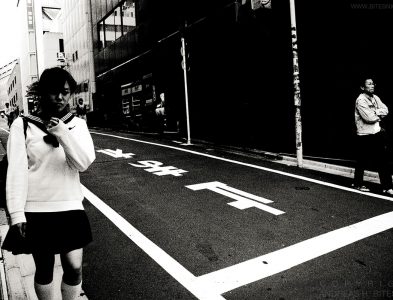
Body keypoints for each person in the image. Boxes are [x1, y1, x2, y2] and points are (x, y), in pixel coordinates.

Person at [1, 67, 96, 300]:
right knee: (44, 269)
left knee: (74, 268)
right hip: (36, 210)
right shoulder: (22, 125)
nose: (61, 97)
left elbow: (82, 164)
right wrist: (16, 213)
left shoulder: (77, 125)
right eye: (54, 92)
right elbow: (16, 172)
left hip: (70, 207)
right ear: (43, 93)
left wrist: (63, 134)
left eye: (65, 92)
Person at [353, 77, 393, 195]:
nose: (372, 86)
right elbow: (368, 118)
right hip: (364, 134)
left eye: (373, 84)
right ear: (362, 87)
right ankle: (358, 184)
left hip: (377, 132)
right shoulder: (360, 100)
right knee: (362, 161)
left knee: (383, 160)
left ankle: (387, 186)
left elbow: (386, 109)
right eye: (369, 84)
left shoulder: (375, 98)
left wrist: (375, 113)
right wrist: (378, 113)